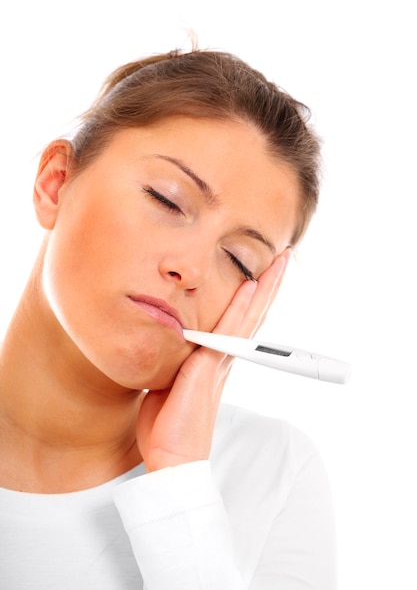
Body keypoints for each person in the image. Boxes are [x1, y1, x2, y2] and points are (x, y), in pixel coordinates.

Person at [0, 48, 337, 589]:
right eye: (166, 199)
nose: (191, 269)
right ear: (56, 182)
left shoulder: (273, 472)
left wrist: (180, 480)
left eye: (239, 261)